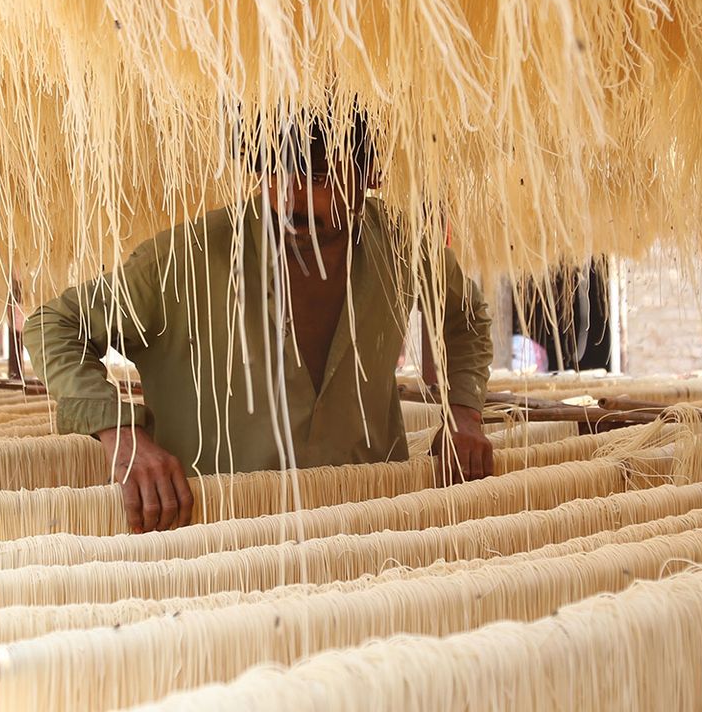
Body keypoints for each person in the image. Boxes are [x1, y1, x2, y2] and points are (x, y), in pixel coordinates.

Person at [24, 113, 494, 533]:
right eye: (273, 171)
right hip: (216, 544)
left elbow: (466, 318)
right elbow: (53, 325)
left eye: (319, 175)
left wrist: (464, 415)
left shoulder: (400, 245)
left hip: (370, 535)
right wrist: (122, 435)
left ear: (369, 173)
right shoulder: (187, 257)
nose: (291, 196)